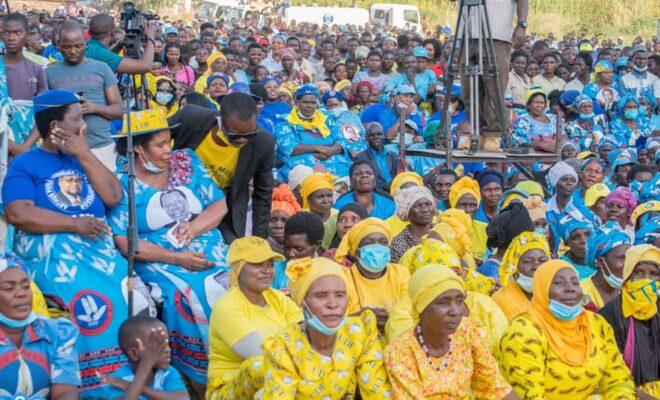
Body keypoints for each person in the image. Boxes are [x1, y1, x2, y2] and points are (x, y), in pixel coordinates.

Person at [2, 89, 152, 393]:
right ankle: (91, 385)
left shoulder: (82, 158)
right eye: (77, 119)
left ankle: (128, 382)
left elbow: (113, 196)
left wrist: (84, 154)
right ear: (55, 126)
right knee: (90, 300)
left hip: (96, 249)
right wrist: (74, 223)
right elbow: (17, 212)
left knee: (133, 297)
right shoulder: (26, 165)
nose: (83, 124)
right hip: (53, 251)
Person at [112, 108, 230, 388]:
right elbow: (125, 241)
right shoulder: (122, 183)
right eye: (160, 144)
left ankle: (236, 360)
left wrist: (195, 227)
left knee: (236, 279)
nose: (169, 149)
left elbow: (219, 204)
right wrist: (177, 258)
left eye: (169, 141)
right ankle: (202, 375)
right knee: (192, 294)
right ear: (138, 149)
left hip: (206, 243)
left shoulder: (186, 161)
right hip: (160, 259)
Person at [498, 260, 636, 399]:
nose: (570, 288)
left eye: (575, 283)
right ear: (542, 288)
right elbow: (531, 396)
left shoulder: (596, 324)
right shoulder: (522, 332)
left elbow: (618, 380)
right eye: (558, 283)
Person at [260, 257, 392, 398]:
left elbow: (377, 392)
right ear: (303, 303)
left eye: (340, 295)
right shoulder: (283, 346)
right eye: (321, 296)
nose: (332, 304)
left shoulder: (359, 332)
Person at [384, 265, 515, 399]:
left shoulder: (468, 333)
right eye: (443, 303)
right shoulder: (401, 350)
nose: (456, 311)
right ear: (421, 307)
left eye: (459, 301)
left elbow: (495, 387)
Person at [168, 93, 275, 243]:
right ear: (221, 120)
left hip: (221, 209)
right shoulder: (191, 117)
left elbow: (263, 193)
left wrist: (259, 240)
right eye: (234, 135)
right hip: (174, 199)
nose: (242, 140)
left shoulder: (264, 142)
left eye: (249, 134)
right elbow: (153, 138)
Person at [207, 237, 302, 398]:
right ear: (239, 268)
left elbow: (304, 338)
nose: (267, 270)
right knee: (263, 367)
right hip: (229, 388)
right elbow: (260, 353)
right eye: (258, 264)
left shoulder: (278, 298)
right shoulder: (227, 307)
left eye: (270, 264)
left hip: (281, 378)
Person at [0, 253, 81, 399]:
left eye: (26, 286)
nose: (21, 294)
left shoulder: (57, 333)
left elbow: (66, 393)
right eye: (8, 288)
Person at [46, 21, 123, 170]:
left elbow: (119, 111)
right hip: (66, 152)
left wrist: (94, 108)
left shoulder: (102, 68)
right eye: (67, 47)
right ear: (59, 46)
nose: (73, 51)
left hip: (102, 149)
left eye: (78, 46)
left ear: (85, 43)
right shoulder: (49, 73)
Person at [458, 0, 529, 151]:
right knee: (469, 87)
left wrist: (521, 24)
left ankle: (494, 134)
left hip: (496, 33)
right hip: (467, 32)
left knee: (493, 86)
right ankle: (477, 134)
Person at [600, 245, 660, 399]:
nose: (645, 279)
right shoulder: (609, 316)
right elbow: (611, 373)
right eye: (638, 271)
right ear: (627, 274)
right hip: (625, 391)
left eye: (654, 274)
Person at [334, 218, 410, 335]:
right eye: (369, 243)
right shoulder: (342, 279)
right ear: (356, 251)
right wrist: (363, 316)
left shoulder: (400, 273)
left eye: (383, 242)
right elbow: (336, 323)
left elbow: (408, 312)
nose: (377, 248)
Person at [97, 316, 189, 400]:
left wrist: (129, 386)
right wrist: (146, 363)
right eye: (159, 345)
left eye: (167, 344)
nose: (168, 350)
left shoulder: (168, 372)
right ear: (134, 354)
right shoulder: (119, 379)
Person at [275, 84, 351, 180]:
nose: (309, 106)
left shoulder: (326, 118)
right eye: (305, 102)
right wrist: (317, 147)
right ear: (297, 102)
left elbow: (341, 140)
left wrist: (329, 151)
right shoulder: (286, 121)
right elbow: (288, 148)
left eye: (313, 102)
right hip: (303, 165)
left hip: (333, 160)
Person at [491, 232, 551, 321]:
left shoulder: (556, 297)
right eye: (528, 261)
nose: (536, 266)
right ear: (515, 267)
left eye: (542, 260)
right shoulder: (500, 301)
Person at [581, 222, 631, 310]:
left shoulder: (630, 289)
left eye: (630, 256)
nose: (628, 263)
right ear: (601, 262)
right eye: (621, 258)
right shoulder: (581, 293)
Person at [85, 13, 156, 74]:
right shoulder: (98, 53)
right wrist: (151, 37)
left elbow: (106, 58)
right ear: (113, 33)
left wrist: (119, 45)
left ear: (89, 32)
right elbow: (146, 66)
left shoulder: (89, 47)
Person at [2, 13, 47, 102]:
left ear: (26, 35)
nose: (11, 38)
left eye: (17, 33)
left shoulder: (36, 69)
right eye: (6, 33)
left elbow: (43, 103)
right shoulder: (1, 68)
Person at [353, 122, 408, 191]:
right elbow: (361, 182)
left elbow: (401, 175)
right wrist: (384, 186)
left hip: (397, 190)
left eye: (379, 134)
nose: (376, 137)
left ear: (383, 136)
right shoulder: (360, 159)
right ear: (366, 139)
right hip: (375, 193)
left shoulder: (394, 156)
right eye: (372, 135)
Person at [390, 186, 437, 263]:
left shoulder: (442, 233)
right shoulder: (399, 243)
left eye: (428, 204)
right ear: (407, 213)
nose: (425, 210)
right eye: (417, 206)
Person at [448, 176, 488, 262]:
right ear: (454, 205)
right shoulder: (445, 229)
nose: (468, 210)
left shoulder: (485, 229)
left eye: (472, 205)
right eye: (463, 204)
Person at [511, 88, 559, 152]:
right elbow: (519, 140)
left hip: (555, 155)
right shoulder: (524, 119)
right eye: (536, 102)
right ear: (529, 105)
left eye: (542, 103)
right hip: (534, 158)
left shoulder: (554, 118)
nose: (539, 105)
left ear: (545, 105)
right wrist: (541, 145)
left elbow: (564, 135)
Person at [298, 172, 337, 248]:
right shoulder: (300, 219)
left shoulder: (339, 216)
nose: (326, 201)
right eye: (320, 197)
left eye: (329, 195)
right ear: (308, 199)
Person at [323, 90, 366, 157]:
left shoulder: (351, 115)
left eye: (336, 104)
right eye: (330, 106)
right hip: (337, 152)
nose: (334, 108)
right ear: (325, 107)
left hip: (358, 148)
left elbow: (362, 133)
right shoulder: (323, 118)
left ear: (341, 104)